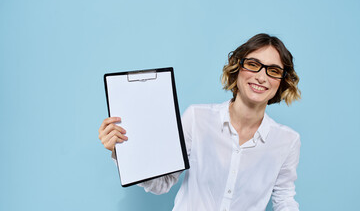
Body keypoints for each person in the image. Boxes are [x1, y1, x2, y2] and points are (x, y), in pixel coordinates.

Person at [98, 33, 301, 211]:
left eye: (273, 71)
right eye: (253, 64)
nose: (261, 77)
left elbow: (284, 200)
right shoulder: (197, 118)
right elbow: (162, 183)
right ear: (237, 67)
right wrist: (122, 151)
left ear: (282, 81)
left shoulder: (287, 141)